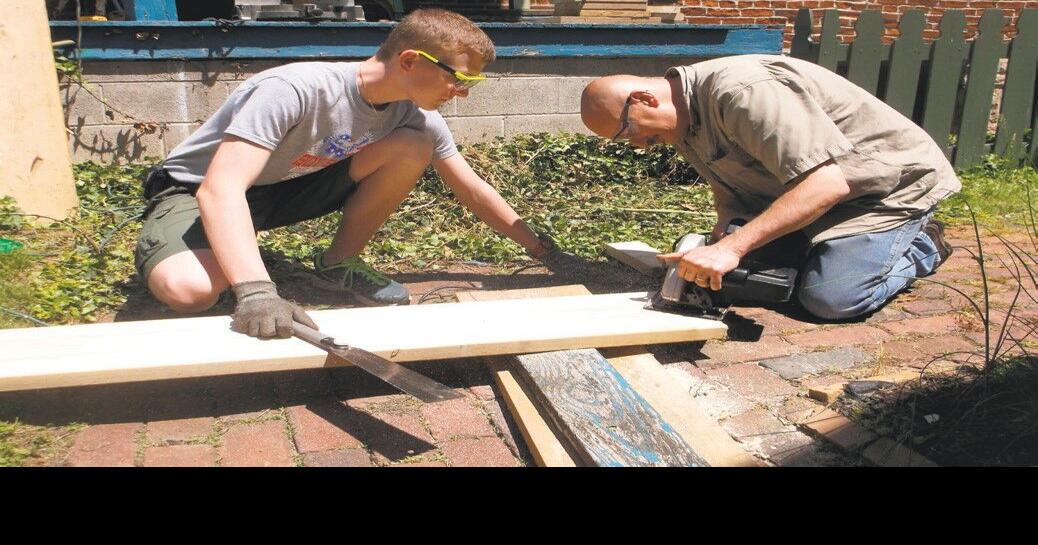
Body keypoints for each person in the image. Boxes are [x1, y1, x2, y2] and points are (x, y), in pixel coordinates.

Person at [135, 9, 562, 338]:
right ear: (411, 60)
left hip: (286, 190)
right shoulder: (294, 90)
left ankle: (337, 262)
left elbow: (471, 189)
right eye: (459, 77)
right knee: (188, 292)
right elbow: (220, 188)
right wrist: (256, 292)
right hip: (195, 194)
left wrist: (545, 252)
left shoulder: (412, 116)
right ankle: (231, 262)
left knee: (413, 145)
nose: (463, 91)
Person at [579, 54, 959, 320]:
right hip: (820, 191)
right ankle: (817, 248)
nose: (638, 144)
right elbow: (728, 189)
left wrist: (733, 247)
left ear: (644, 99)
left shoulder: (743, 92)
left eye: (627, 132)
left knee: (829, 298)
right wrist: (723, 235)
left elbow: (826, 184)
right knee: (750, 277)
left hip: (884, 191)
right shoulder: (682, 120)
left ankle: (922, 245)